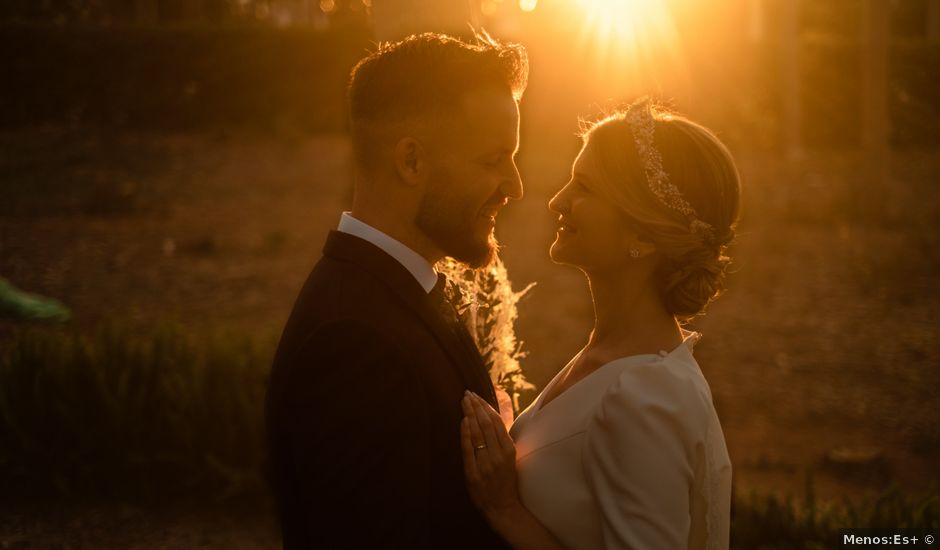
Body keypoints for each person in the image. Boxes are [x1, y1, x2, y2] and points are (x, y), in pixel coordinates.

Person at [264, 32, 527, 549]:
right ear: (411, 161)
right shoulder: (353, 344)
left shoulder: (399, 292)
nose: (515, 185)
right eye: (493, 159)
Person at [460, 98, 739, 550]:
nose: (557, 200)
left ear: (643, 236)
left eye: (584, 187)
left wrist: (505, 509)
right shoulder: (607, 358)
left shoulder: (648, 400)